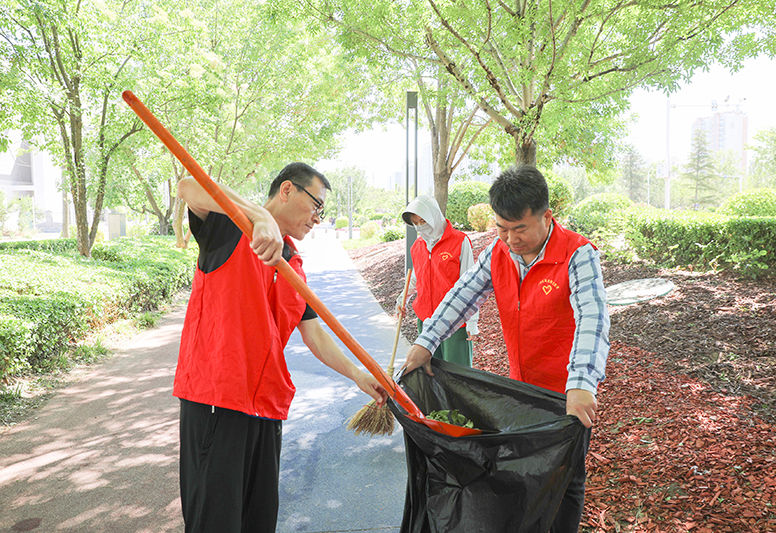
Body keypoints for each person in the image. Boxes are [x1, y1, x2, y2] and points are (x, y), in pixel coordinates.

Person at [173, 162, 388, 533]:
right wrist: (257, 216)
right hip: (218, 401)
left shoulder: (292, 265)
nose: (318, 218)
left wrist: (358, 375)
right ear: (287, 190)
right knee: (216, 521)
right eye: (317, 206)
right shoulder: (229, 227)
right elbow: (188, 186)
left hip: (267, 408)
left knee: (258, 520)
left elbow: (314, 333)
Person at [402, 165, 609, 533]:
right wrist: (425, 341)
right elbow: (461, 297)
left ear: (547, 216)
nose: (511, 239)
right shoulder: (497, 253)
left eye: (520, 229)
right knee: (524, 475)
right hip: (520, 391)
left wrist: (581, 384)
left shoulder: (578, 255)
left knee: (565, 479)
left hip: (565, 395)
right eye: (501, 228)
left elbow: (592, 321)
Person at [396, 195, 479, 367]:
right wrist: (402, 298)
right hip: (426, 320)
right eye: (416, 223)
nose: (420, 226)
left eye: (423, 220)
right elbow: (415, 279)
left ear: (434, 216)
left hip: (454, 321)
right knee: (432, 373)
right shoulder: (417, 246)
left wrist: (472, 321)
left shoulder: (460, 241)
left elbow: (471, 283)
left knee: (458, 375)